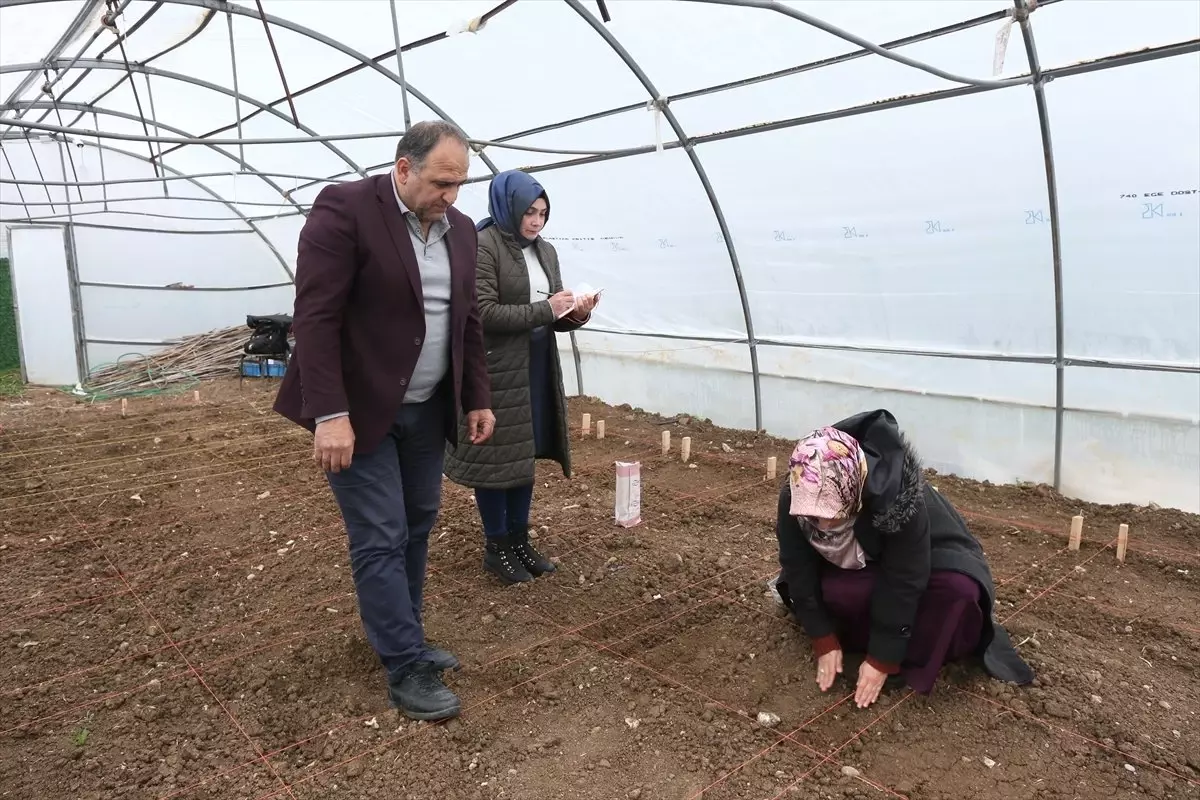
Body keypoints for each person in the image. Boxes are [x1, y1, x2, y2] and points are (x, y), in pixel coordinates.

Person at [273, 120, 496, 721]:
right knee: (380, 533)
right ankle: (403, 662)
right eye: (442, 182)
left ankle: (407, 632)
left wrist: (476, 396)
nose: (451, 195)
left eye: (460, 184)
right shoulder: (344, 209)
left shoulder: (463, 231)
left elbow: (466, 321)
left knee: (418, 522)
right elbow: (315, 318)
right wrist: (330, 413)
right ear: (404, 167)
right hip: (360, 409)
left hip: (426, 409)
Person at [772, 409, 1033, 708]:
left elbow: (905, 577)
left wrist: (883, 659)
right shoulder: (797, 492)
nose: (821, 526)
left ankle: (907, 654)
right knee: (839, 593)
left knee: (959, 591)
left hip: (927, 555)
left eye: (830, 516)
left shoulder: (898, 498)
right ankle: (861, 643)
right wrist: (822, 637)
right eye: (812, 518)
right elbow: (797, 566)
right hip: (866, 564)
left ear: (854, 490)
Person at [443, 170, 597, 584]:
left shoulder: (545, 251)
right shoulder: (483, 245)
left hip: (535, 365)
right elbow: (483, 312)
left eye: (543, 213)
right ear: (508, 206)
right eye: (529, 212)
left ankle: (519, 540)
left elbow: (553, 310)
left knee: (522, 457)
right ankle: (497, 547)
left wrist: (575, 313)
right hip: (494, 369)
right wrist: (547, 310)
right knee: (496, 461)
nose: (536, 221)